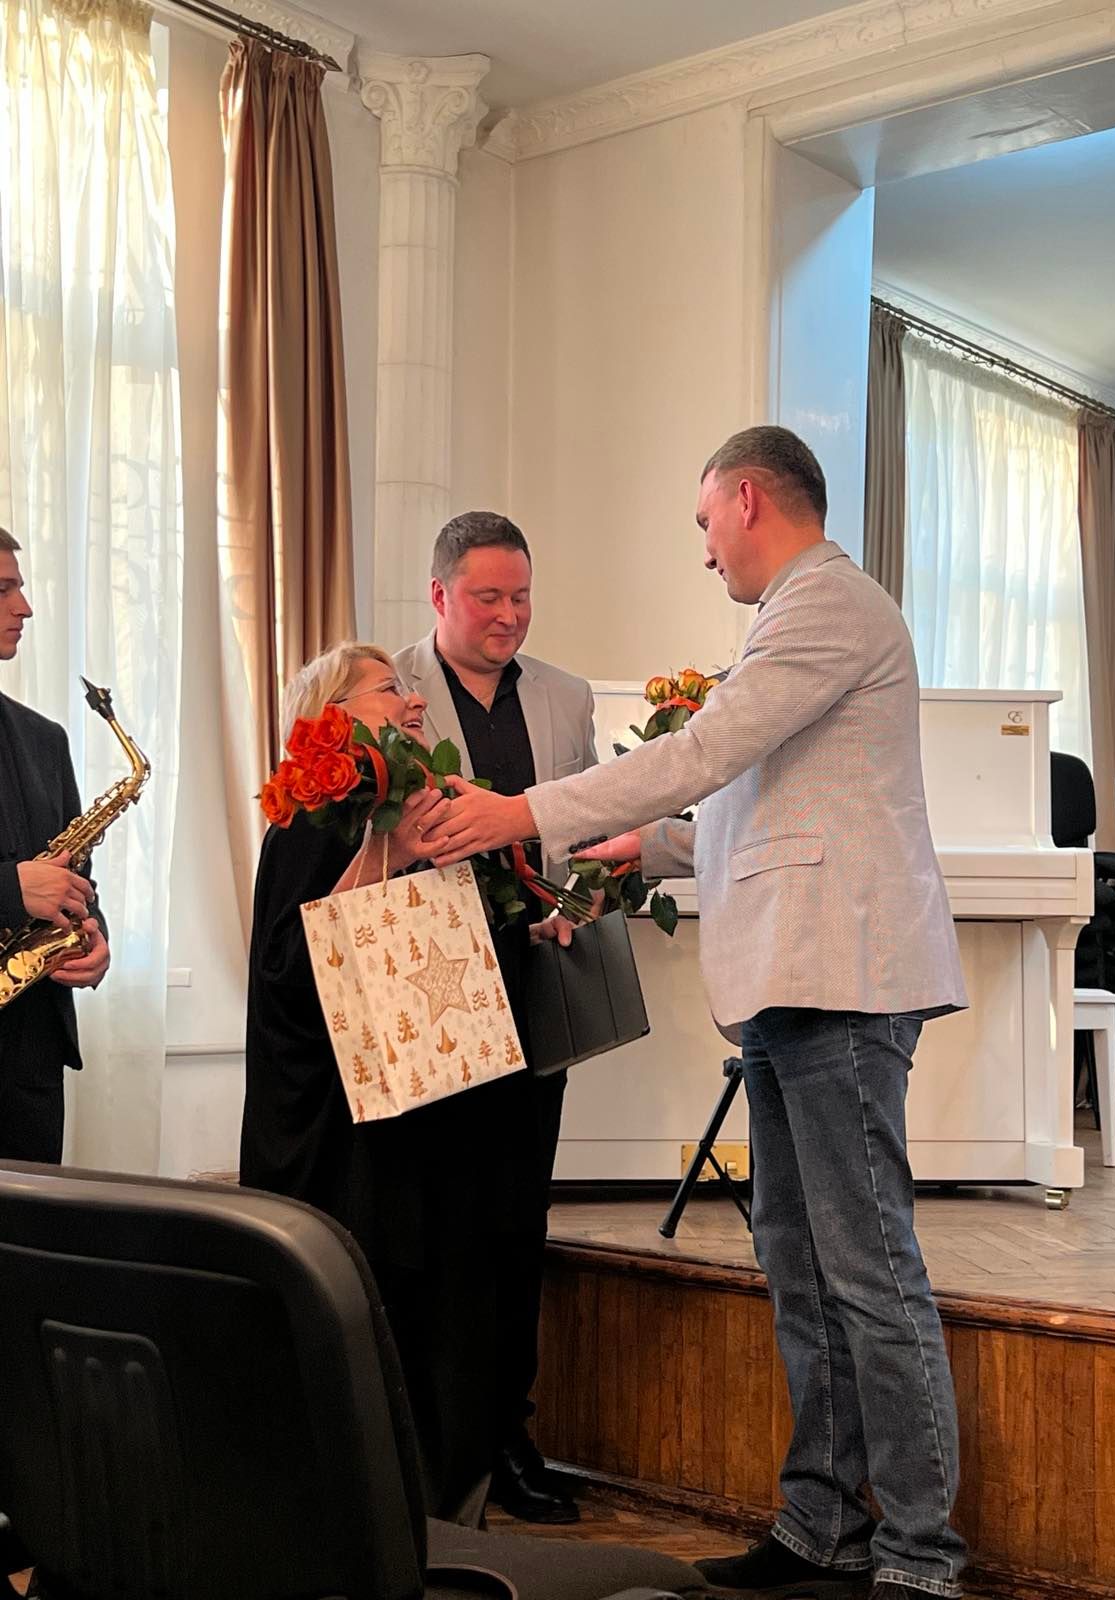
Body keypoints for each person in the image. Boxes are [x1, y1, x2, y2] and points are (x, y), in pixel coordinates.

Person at [420, 429, 970, 1600]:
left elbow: (711, 749)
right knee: (801, 1267)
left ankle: (922, 1558)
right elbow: (748, 800)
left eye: (706, 521)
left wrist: (525, 811)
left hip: (841, 980)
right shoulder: (793, 617)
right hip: (790, 983)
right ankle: (823, 1526)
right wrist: (646, 844)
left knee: (868, 1272)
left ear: (748, 498)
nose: (705, 548)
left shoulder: (828, 604)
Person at [240, 641, 537, 1525]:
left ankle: (445, 1506)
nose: (412, 701)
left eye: (410, 689)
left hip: (428, 1111)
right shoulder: (309, 818)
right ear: (333, 713)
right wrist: (386, 849)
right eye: (389, 688)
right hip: (340, 1131)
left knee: (445, 1303)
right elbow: (295, 968)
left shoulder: (414, 806)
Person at [394, 511, 598, 1524]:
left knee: (518, 1220)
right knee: (435, 1222)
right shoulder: (385, 690)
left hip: (533, 986)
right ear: (439, 596)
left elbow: (588, 835)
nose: (509, 615)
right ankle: (431, 1440)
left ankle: (509, 1436)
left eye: (521, 596)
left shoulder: (565, 695)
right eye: (488, 597)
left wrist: (579, 903)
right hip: (427, 996)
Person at [0, 527, 110, 1163]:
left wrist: (93, 936)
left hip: (31, 1059)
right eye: (3, 589)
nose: (26, 607)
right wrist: (10, 887)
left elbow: (78, 879)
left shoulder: (46, 740)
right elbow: (23, 887)